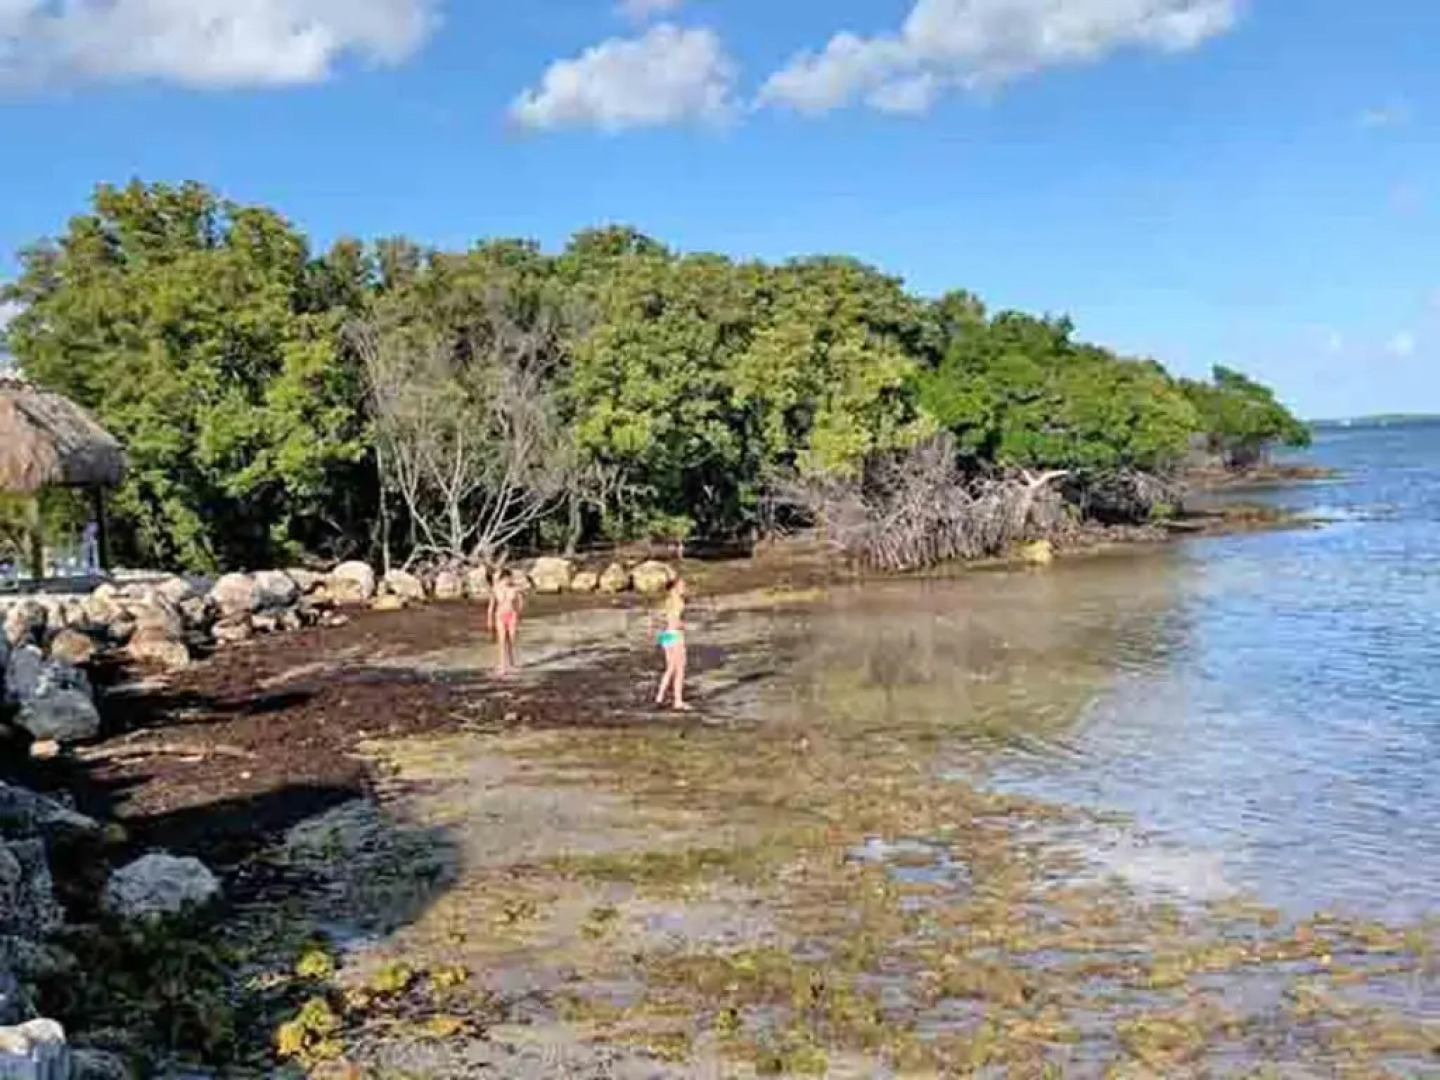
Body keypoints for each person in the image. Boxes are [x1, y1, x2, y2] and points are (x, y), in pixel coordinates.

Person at [654, 577, 691, 711]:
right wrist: (683, 625)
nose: (684, 589)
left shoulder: (667, 601)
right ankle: (678, 701)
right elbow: (675, 621)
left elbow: (660, 618)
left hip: (665, 635)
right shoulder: (679, 602)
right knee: (679, 669)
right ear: (675, 588)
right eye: (682, 586)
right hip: (676, 635)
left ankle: (660, 696)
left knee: (670, 668)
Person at [488, 569, 523, 675]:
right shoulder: (496, 589)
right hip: (500, 615)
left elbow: (520, 602)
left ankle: (512, 663)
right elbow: (491, 606)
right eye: (508, 578)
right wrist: (489, 620)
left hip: (512, 615)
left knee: (511, 640)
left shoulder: (515, 589)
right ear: (503, 578)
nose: (509, 580)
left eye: (510, 578)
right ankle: (502, 665)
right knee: (502, 640)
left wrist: (518, 613)